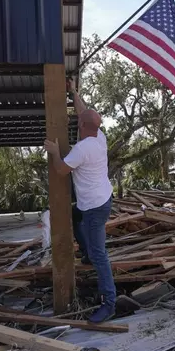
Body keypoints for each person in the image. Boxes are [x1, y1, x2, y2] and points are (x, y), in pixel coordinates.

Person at [43, 80, 116, 323]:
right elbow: (84, 111)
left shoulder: (83, 149)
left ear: (83, 126)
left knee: (100, 255)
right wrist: (74, 92)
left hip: (95, 207)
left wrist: (54, 153)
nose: (77, 120)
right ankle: (86, 252)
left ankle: (109, 303)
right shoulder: (99, 137)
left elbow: (62, 170)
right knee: (75, 217)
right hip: (101, 199)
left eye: (79, 121)